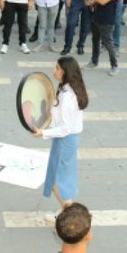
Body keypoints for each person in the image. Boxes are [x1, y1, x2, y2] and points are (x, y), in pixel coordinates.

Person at [28, 57, 89, 219]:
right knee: (59, 176)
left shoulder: (68, 96)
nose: (54, 70)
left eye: (57, 68)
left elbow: (66, 128)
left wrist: (43, 133)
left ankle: (69, 213)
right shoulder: (67, 89)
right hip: (66, 139)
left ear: (65, 72)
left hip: (66, 139)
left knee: (58, 179)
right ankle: (65, 210)